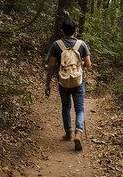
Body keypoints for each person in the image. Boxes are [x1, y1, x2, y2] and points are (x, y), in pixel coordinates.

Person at [45, 19, 91, 151]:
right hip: (78, 81)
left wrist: (47, 84)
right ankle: (78, 133)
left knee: (66, 107)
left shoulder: (56, 45)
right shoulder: (81, 44)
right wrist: (79, 64)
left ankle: (68, 132)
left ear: (62, 30)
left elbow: (52, 65)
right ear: (75, 31)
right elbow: (88, 64)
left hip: (63, 81)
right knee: (80, 108)